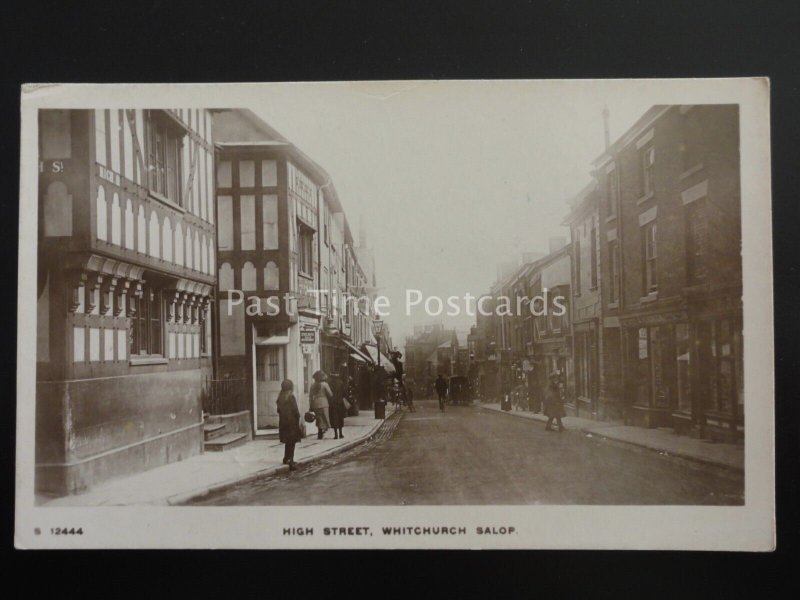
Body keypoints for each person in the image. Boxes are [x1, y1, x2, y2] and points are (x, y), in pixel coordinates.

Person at [276, 379, 302, 471]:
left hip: (283, 422)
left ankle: (285, 458)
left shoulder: (280, 397)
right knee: (292, 442)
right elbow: (296, 411)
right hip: (291, 422)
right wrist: (298, 419)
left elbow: (278, 410)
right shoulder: (291, 397)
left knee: (287, 441)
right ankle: (291, 461)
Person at [310, 370, 332, 439]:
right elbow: (330, 394)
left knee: (319, 418)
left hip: (315, 403)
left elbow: (310, 396)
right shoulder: (325, 384)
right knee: (325, 418)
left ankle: (320, 431)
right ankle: (323, 430)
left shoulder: (312, 385)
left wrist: (311, 405)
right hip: (324, 403)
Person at [328, 373, 347, 439]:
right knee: (340, 418)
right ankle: (341, 433)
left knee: (334, 418)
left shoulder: (330, 384)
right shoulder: (341, 382)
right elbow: (344, 393)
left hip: (332, 403)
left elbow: (328, 394)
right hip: (340, 403)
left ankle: (336, 434)